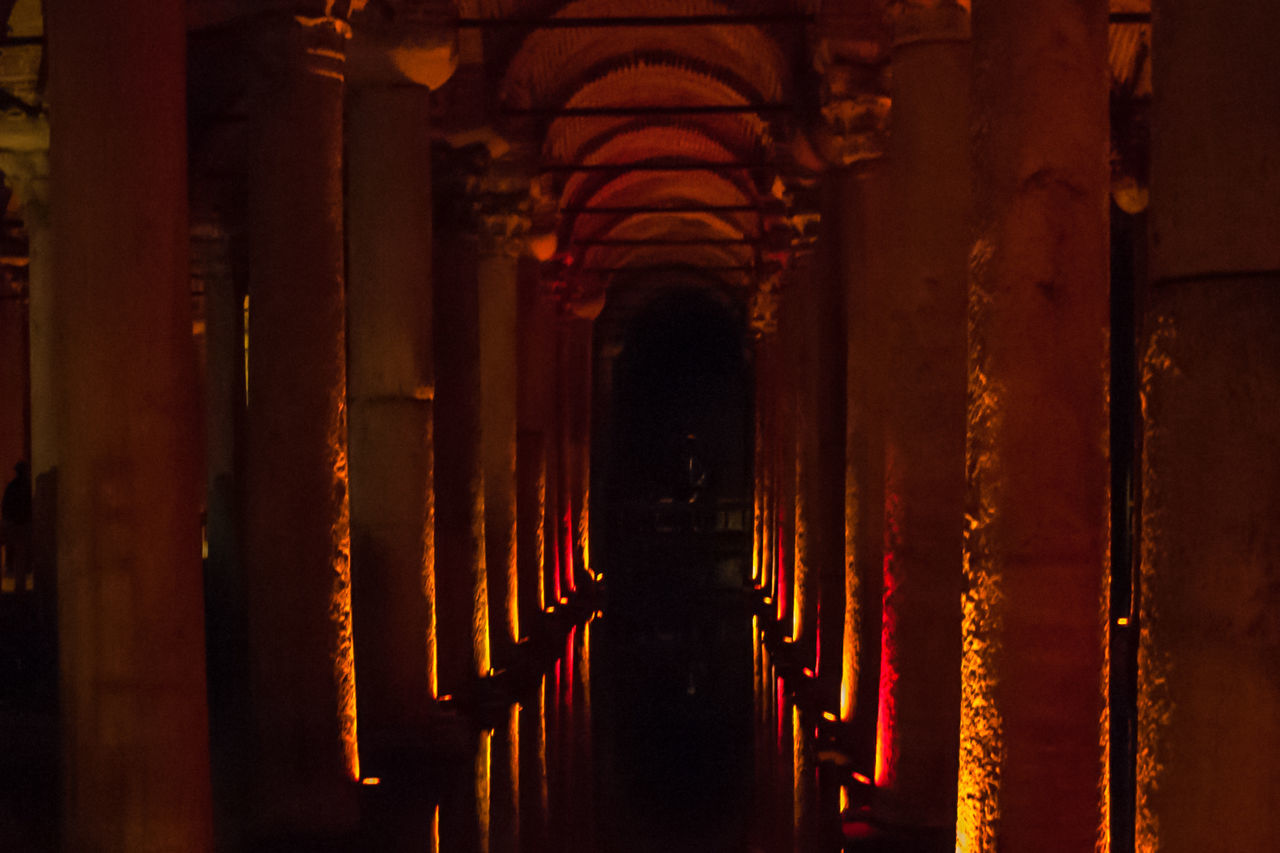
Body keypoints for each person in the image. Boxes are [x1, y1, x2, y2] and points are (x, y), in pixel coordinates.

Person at [1, 460, 31, 584]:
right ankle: (20, 589)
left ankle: (11, 569)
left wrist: (8, 520)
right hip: (21, 524)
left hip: (13, 523)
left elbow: (5, 505)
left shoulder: (12, 486)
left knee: (14, 551)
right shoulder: (26, 486)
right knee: (20, 557)